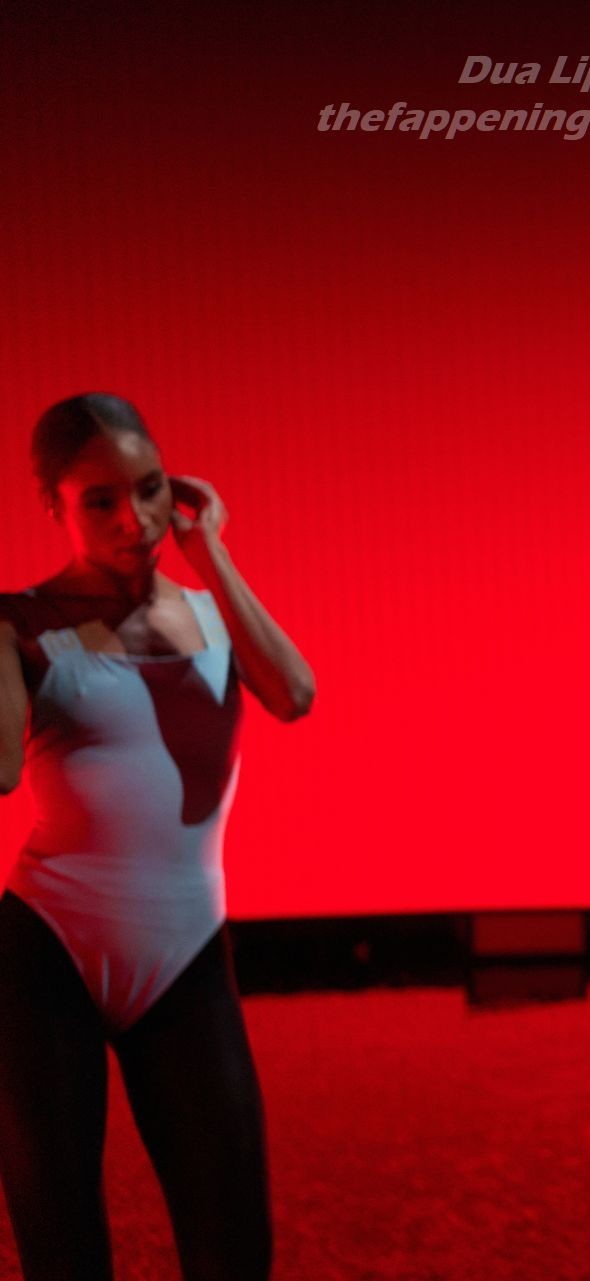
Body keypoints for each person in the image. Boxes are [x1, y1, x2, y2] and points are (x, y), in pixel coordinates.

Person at [0, 393, 315, 1280]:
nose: (132, 519)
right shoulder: (22, 622)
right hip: (48, 953)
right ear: (53, 504)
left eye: (147, 489)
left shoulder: (209, 613)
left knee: (233, 1248)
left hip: (186, 953)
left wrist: (209, 549)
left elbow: (294, 693)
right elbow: (1, 769)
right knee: (65, 1255)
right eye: (99, 499)